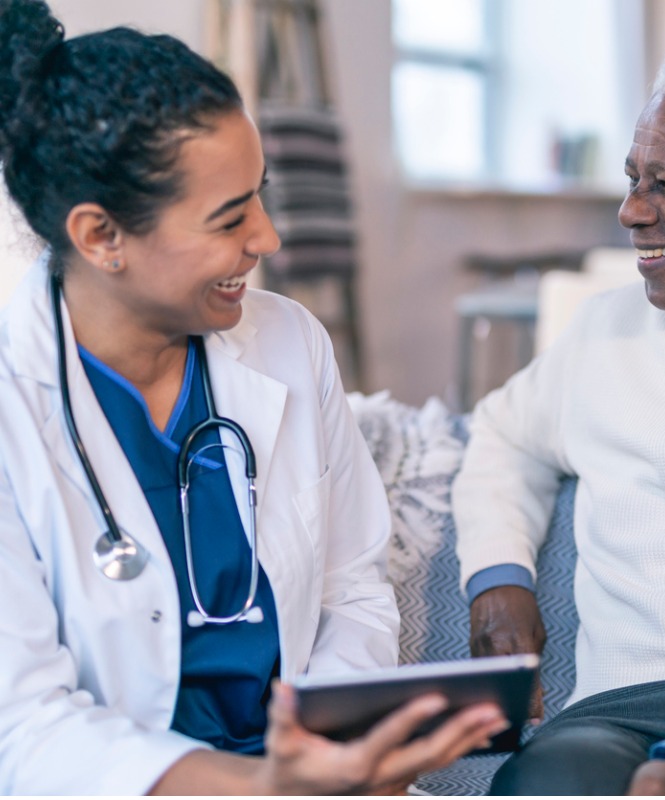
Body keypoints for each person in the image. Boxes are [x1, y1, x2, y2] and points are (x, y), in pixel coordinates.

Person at [0, 1, 507, 794]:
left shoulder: (289, 343)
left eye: (259, 196)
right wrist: (269, 789)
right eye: (231, 217)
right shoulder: (13, 400)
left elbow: (352, 587)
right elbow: (25, 728)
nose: (269, 238)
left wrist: (333, 750)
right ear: (101, 237)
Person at [454, 34, 665, 796]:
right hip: (616, 716)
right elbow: (505, 435)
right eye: (633, 179)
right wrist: (497, 577)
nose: (631, 212)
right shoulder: (606, 330)